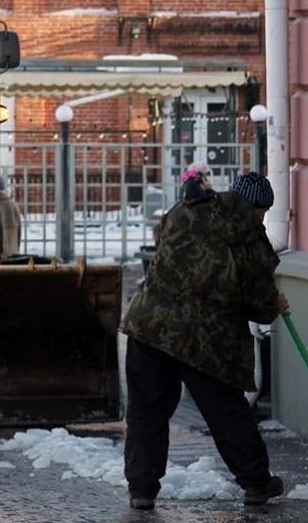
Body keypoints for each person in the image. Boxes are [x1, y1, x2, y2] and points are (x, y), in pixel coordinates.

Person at [121, 168, 289, 511]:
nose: (262, 218)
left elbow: (162, 242)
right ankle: (257, 482)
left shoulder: (185, 210)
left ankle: (142, 489)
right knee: (227, 413)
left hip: (148, 325)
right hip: (204, 341)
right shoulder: (250, 238)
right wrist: (274, 302)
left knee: (146, 414)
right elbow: (259, 304)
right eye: (264, 212)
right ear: (258, 208)